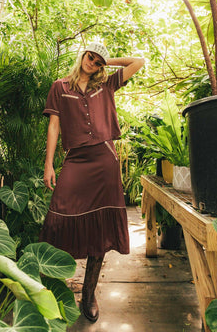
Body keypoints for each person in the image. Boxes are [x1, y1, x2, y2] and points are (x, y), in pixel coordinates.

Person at [40, 42, 145, 322]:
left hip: (104, 159)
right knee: (58, 217)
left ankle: (88, 293)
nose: (93, 63)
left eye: (98, 62)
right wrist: (49, 164)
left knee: (101, 227)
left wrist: (107, 61)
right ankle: (51, 285)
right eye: (91, 57)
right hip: (76, 159)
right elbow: (54, 126)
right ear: (82, 55)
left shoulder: (106, 85)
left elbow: (138, 61)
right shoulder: (59, 87)